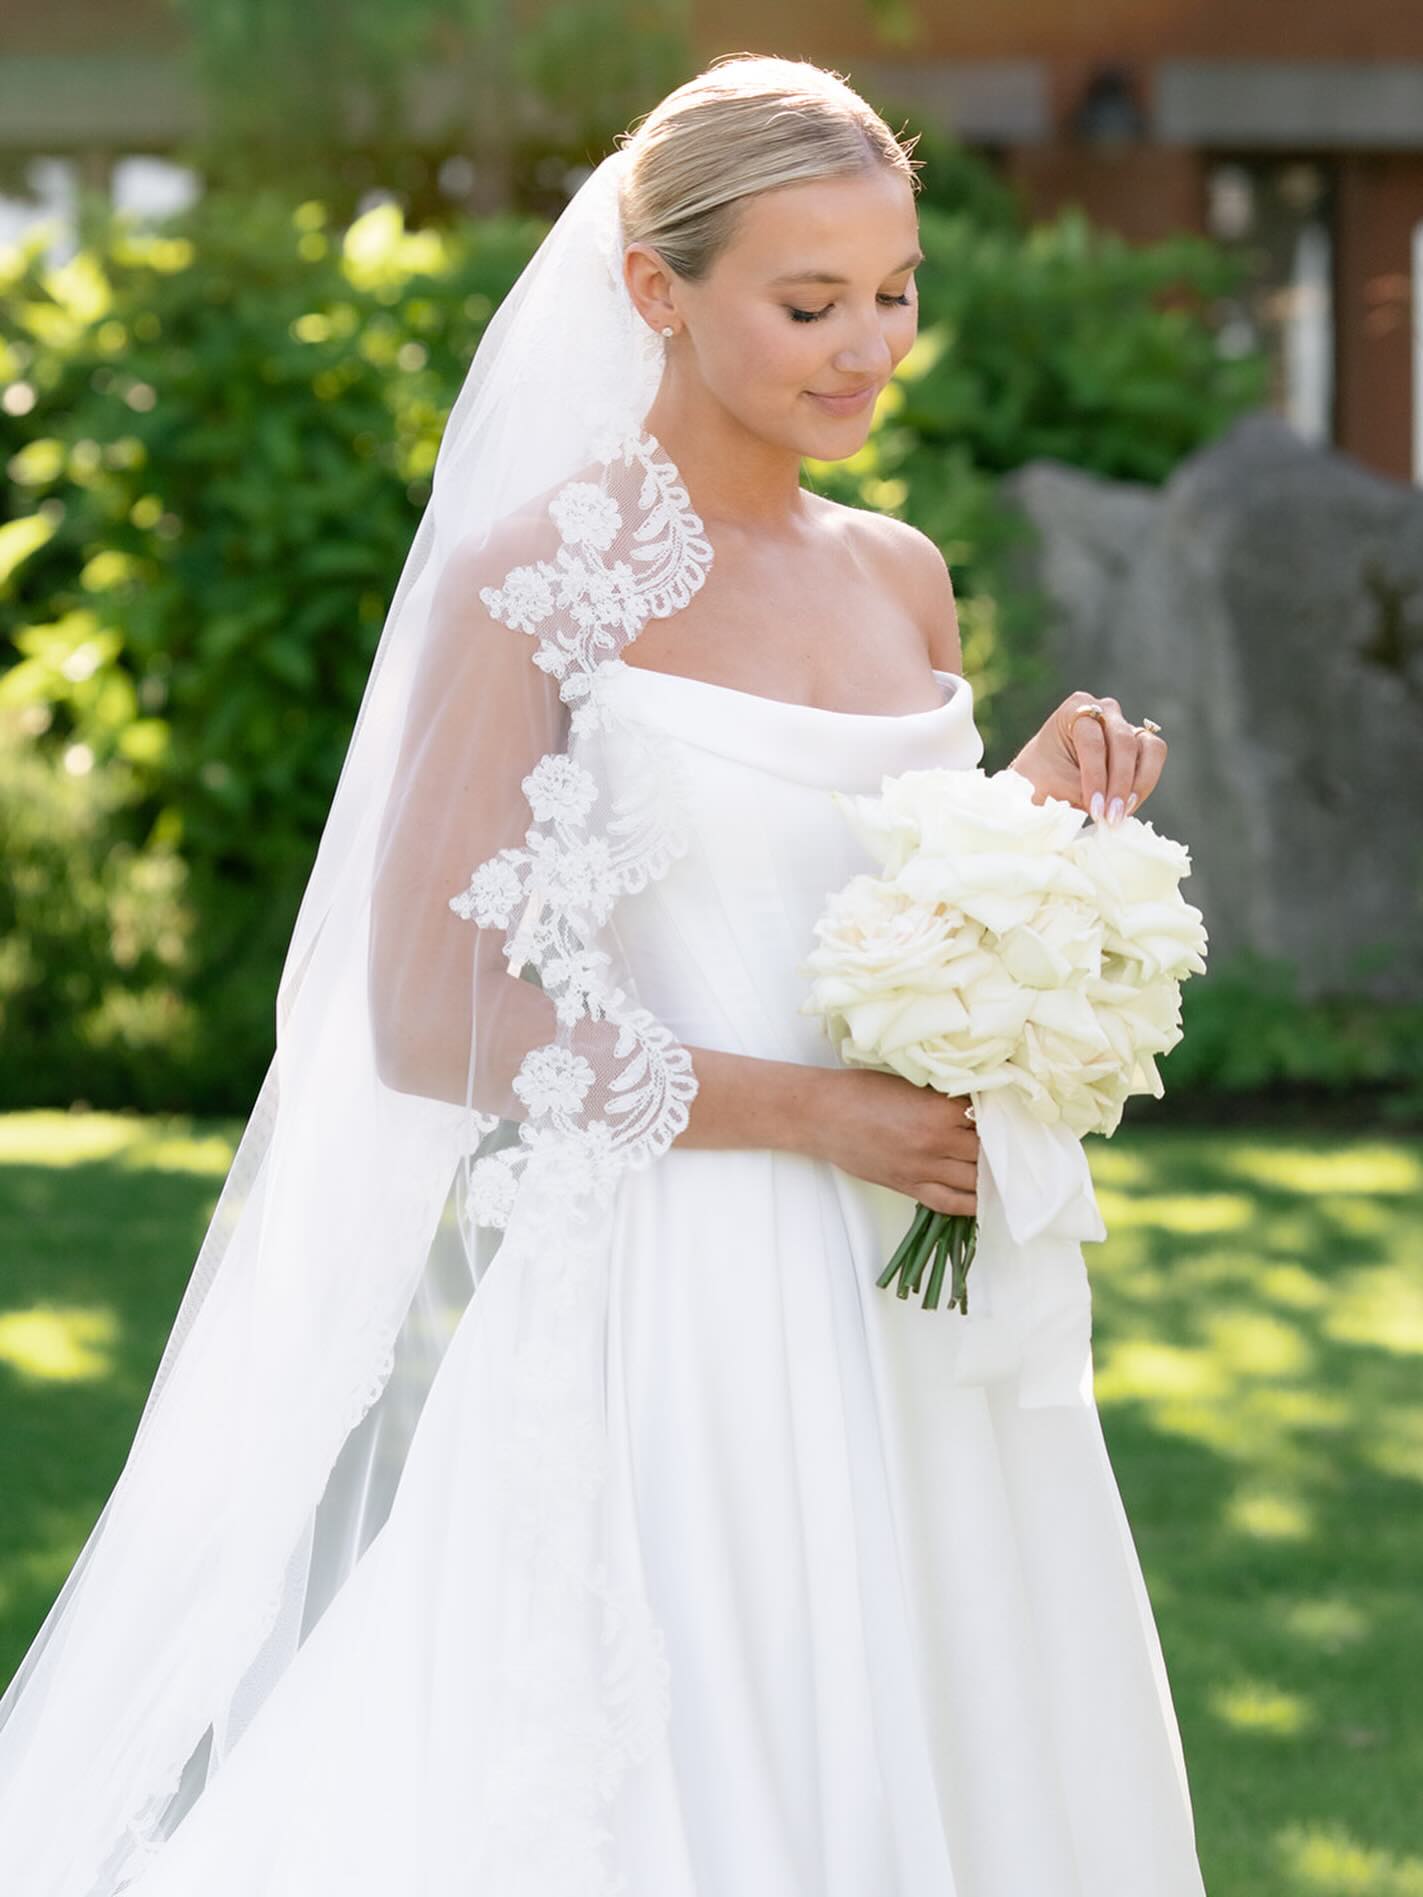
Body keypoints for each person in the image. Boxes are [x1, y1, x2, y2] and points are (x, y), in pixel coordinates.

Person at [0, 52, 1201, 1897]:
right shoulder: (539, 583)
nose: (869, 346)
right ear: (658, 288)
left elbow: (875, 920)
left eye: (895, 291)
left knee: (953, 1734)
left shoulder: (901, 576)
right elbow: (431, 1011)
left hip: (922, 1278)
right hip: (688, 1296)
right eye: (811, 303)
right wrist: (819, 1116)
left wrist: (1036, 822)